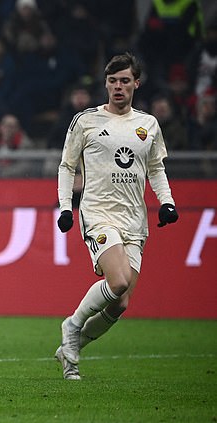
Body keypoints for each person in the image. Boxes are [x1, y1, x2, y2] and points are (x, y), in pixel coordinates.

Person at [54, 53, 179, 380]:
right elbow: (67, 166)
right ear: (105, 84)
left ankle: (72, 347)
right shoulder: (86, 121)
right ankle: (72, 326)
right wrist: (66, 207)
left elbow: (156, 168)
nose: (118, 87)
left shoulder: (148, 124)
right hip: (98, 213)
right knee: (118, 280)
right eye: (112, 81)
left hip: (134, 220)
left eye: (125, 80)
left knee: (120, 304)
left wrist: (166, 201)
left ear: (136, 83)